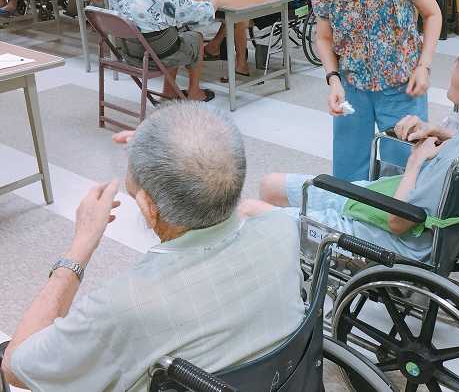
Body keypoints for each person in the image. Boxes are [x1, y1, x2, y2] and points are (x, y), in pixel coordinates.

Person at [0, 102, 305, 391]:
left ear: (148, 206)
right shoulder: (283, 230)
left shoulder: (125, 307)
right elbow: (246, 207)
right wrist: (176, 158)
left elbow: (16, 365)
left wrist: (82, 243)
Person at [241, 38, 459, 261]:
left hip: (382, 235)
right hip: (381, 201)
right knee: (270, 185)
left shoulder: (453, 166)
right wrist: (439, 132)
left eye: (458, 63)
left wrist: (415, 162)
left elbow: (397, 222)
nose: (452, 63)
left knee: (249, 210)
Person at [309, 0, 442, 181]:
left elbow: (433, 15)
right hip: (351, 86)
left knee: (405, 169)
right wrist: (333, 80)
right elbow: (323, 37)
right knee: (348, 168)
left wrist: (424, 66)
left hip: (401, 86)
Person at [108, 0, 223, 102]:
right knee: (193, 37)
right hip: (156, 56)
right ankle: (194, 92)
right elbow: (204, 15)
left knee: (170, 33)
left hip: (128, 51)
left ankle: (169, 93)